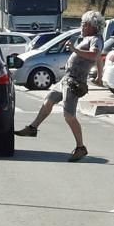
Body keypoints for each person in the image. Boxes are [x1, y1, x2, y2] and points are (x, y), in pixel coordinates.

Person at [15, 10, 105, 161]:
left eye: (83, 24)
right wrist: (99, 75)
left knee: (69, 115)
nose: (81, 27)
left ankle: (80, 147)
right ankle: (33, 128)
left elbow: (95, 55)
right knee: (48, 100)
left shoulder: (96, 39)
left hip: (74, 81)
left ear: (91, 25)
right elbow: (99, 59)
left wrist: (75, 50)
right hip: (67, 78)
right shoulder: (89, 38)